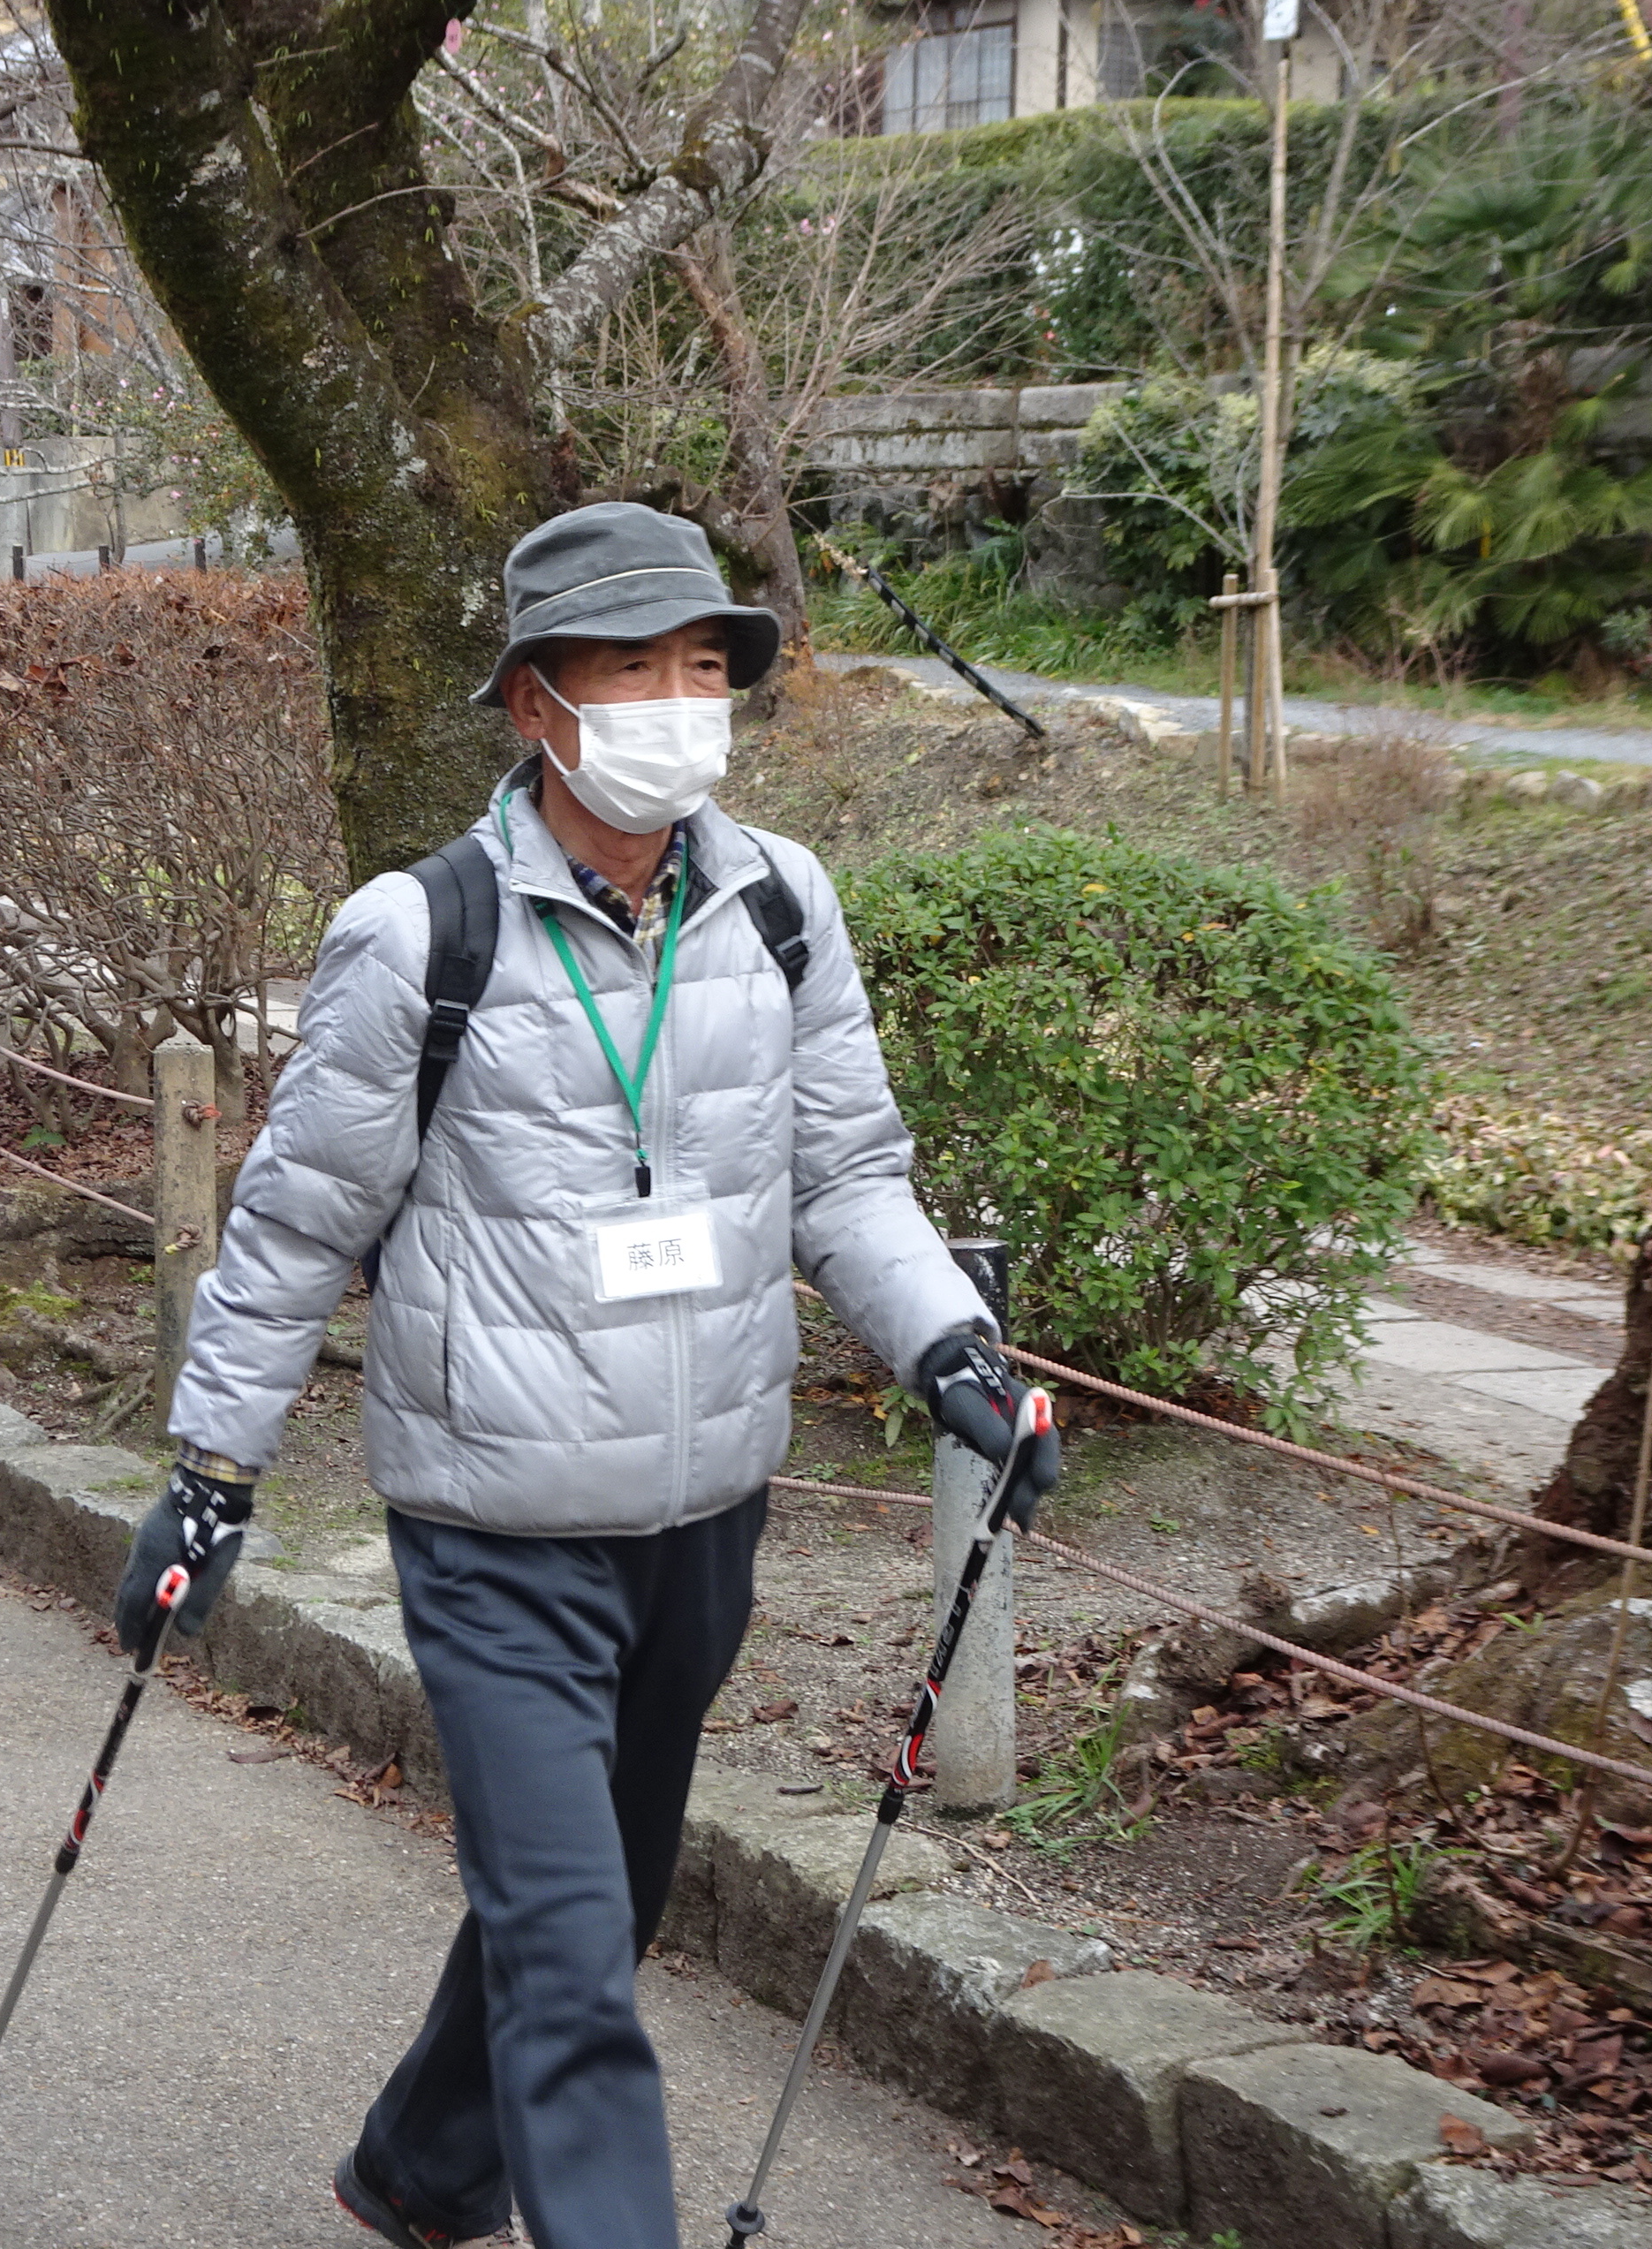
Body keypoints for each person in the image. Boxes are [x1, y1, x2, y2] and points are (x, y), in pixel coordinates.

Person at [133, 503, 1057, 2249]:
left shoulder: (783, 904)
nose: (677, 704)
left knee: (601, 1902)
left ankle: (419, 2167)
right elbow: (291, 1228)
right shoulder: (421, 935)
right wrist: (210, 1477)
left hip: (703, 1510)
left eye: (703, 667)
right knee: (574, 1964)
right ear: (538, 703)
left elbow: (849, 1175)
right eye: (635, 669)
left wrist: (951, 1345)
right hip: (495, 1525)